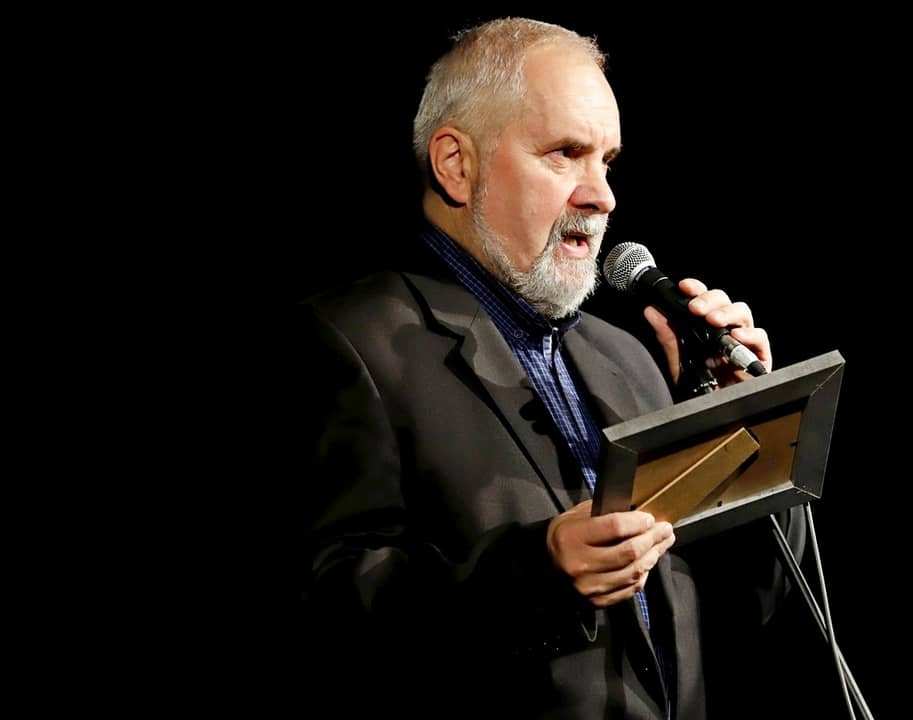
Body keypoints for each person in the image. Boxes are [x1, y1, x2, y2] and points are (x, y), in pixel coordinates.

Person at [283, 17, 805, 719]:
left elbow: (751, 603)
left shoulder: (627, 360)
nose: (602, 195)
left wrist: (742, 429)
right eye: (566, 154)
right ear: (456, 164)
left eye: (607, 161)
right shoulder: (347, 342)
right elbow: (326, 624)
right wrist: (541, 571)